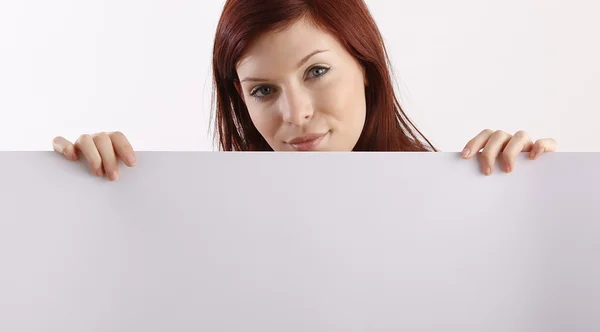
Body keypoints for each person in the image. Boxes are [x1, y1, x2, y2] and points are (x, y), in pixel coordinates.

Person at [51, 0, 557, 181]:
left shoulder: (457, 196)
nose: (295, 114)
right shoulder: (207, 221)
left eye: (316, 72)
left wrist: (525, 189)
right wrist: (85, 193)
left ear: (366, 66)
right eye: (264, 90)